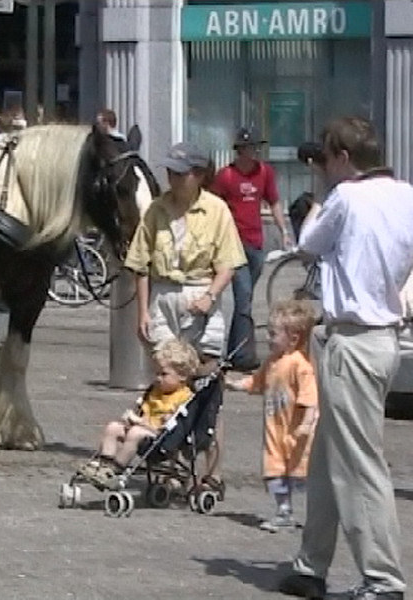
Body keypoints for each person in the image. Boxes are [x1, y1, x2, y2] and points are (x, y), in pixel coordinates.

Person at [277, 117, 413, 600]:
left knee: (358, 462)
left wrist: (318, 199)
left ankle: (383, 578)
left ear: (342, 158)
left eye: (327, 160)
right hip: (382, 337)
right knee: (328, 457)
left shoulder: (345, 198)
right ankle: (311, 562)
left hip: (350, 339)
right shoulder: (406, 194)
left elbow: (306, 245)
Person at [124, 141, 246, 500]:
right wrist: (143, 310)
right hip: (163, 296)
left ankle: (211, 471)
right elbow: (141, 264)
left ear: (198, 175)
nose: (172, 178)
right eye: (170, 172)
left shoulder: (217, 210)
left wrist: (211, 295)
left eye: (180, 173)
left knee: (207, 387)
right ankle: (170, 467)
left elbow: (228, 264)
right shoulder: (156, 211)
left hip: (200, 295)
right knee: (168, 386)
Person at [226, 299, 318, 533]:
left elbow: (310, 398)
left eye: (273, 334)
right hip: (274, 429)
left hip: (296, 431)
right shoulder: (272, 362)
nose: (268, 339)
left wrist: (307, 423)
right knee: (274, 469)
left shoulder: (301, 365)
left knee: (301, 472)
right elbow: (258, 381)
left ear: (294, 338)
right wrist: (237, 385)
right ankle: (283, 511)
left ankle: (320, 514)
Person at [210, 127, 290, 372]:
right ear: (240, 150)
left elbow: (274, 201)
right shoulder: (226, 176)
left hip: (257, 243)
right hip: (234, 243)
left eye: (257, 147)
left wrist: (283, 230)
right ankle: (244, 355)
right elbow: (214, 206)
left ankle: (234, 350)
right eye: (251, 147)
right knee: (243, 298)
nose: (255, 152)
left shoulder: (265, 172)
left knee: (246, 299)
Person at [78, 339, 200, 487]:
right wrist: (132, 418)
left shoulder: (183, 397)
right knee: (113, 427)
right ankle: (104, 464)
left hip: (161, 437)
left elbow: (167, 426)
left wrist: (141, 422)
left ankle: (117, 469)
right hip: (143, 429)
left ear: (182, 376)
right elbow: (143, 410)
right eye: (156, 373)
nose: (158, 378)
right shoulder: (155, 391)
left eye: (164, 374)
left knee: (135, 432)